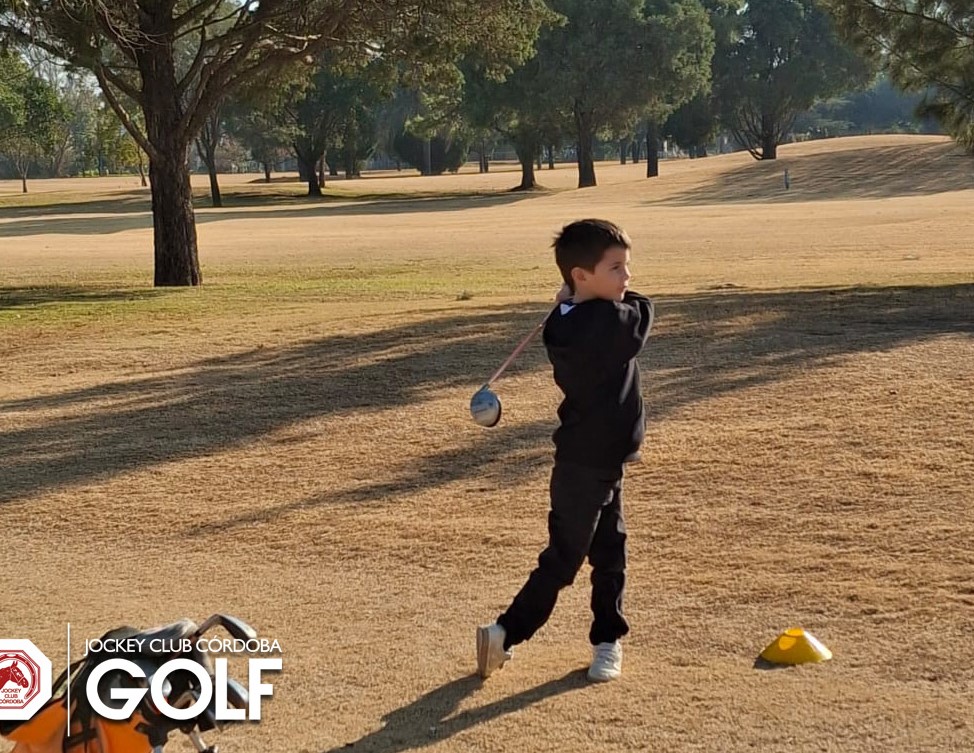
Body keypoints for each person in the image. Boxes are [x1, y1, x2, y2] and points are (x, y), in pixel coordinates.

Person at [477, 218, 654, 682]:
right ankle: (505, 632)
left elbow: (593, 307)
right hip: (587, 466)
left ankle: (607, 641)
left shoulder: (562, 321)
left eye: (626, 268)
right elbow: (644, 313)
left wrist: (566, 300)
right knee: (564, 559)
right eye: (615, 268)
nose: (627, 279)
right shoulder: (610, 322)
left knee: (610, 550)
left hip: (594, 461)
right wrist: (583, 299)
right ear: (580, 275)